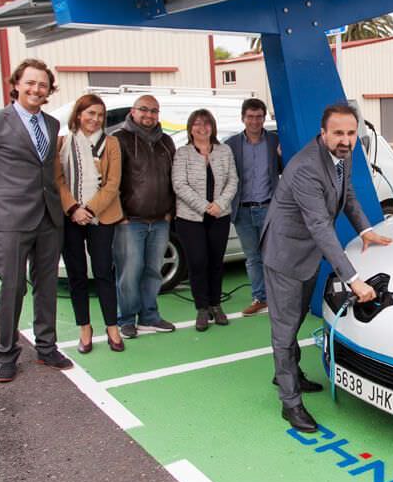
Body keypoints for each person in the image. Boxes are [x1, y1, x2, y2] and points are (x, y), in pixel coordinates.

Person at [261, 103, 393, 432]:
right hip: (285, 255)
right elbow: (320, 225)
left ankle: (288, 372)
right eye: (338, 133)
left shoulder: (342, 156)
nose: (346, 140)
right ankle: (290, 402)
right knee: (284, 330)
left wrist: (366, 230)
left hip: (307, 254)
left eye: (351, 133)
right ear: (323, 133)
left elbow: (347, 195)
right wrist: (354, 279)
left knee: (294, 319)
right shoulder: (306, 168)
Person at [0, 58, 73, 382]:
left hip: (48, 218)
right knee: (12, 287)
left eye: (42, 84)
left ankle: (46, 347)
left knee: (46, 286)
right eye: (30, 82)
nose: (36, 89)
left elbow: (47, 170)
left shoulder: (51, 124)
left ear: (49, 90)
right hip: (10, 220)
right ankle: (6, 353)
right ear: (16, 84)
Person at [54, 94, 125, 353]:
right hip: (70, 217)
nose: (95, 119)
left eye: (100, 115)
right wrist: (74, 209)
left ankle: (112, 327)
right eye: (90, 113)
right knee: (77, 275)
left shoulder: (111, 143)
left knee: (104, 272)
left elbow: (113, 184)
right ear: (78, 114)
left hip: (102, 216)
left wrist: (90, 209)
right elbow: (58, 180)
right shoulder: (62, 142)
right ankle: (85, 328)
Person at [114, 95, 177, 339]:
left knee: (153, 271)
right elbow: (111, 180)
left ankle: (149, 316)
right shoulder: (119, 139)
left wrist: (170, 212)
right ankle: (127, 319)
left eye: (154, 111)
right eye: (144, 109)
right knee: (129, 273)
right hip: (130, 221)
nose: (149, 115)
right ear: (133, 111)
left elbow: (173, 178)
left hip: (160, 220)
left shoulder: (166, 142)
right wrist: (120, 215)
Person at [172, 109, 238, 331]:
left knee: (216, 262)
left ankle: (215, 304)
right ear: (190, 128)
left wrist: (219, 204)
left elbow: (233, 180)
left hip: (220, 215)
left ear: (213, 127)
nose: (202, 128)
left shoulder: (224, 151)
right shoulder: (183, 153)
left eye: (206, 123)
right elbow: (179, 184)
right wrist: (204, 206)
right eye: (197, 124)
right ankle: (202, 307)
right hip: (190, 218)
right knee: (198, 262)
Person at [225, 99, 281, 317]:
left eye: (259, 117)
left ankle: (276, 297)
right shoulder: (231, 145)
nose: (255, 121)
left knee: (272, 256)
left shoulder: (274, 141)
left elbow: (286, 168)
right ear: (243, 118)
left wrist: (282, 154)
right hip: (243, 210)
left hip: (268, 208)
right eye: (250, 117)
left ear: (264, 118)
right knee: (252, 257)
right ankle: (260, 297)